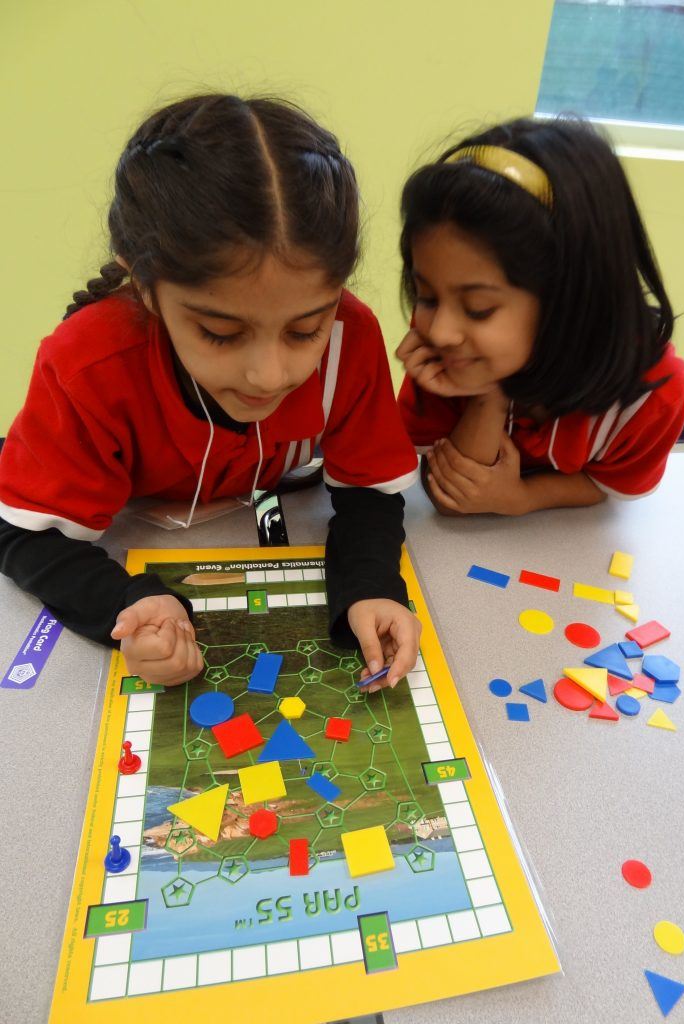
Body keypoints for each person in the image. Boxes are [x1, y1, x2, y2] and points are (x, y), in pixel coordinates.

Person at [0, 94, 420, 689]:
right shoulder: (88, 366)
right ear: (145, 286)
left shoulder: (352, 339)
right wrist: (131, 603)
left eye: (305, 330)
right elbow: (22, 532)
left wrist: (371, 586)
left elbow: (369, 494)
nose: (269, 375)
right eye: (221, 333)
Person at [396, 116, 684, 516]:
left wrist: (523, 499)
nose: (442, 331)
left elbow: (606, 483)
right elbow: (450, 497)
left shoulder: (651, 393)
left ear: (570, 296)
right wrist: (489, 393)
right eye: (426, 296)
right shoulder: (449, 349)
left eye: (478, 308)